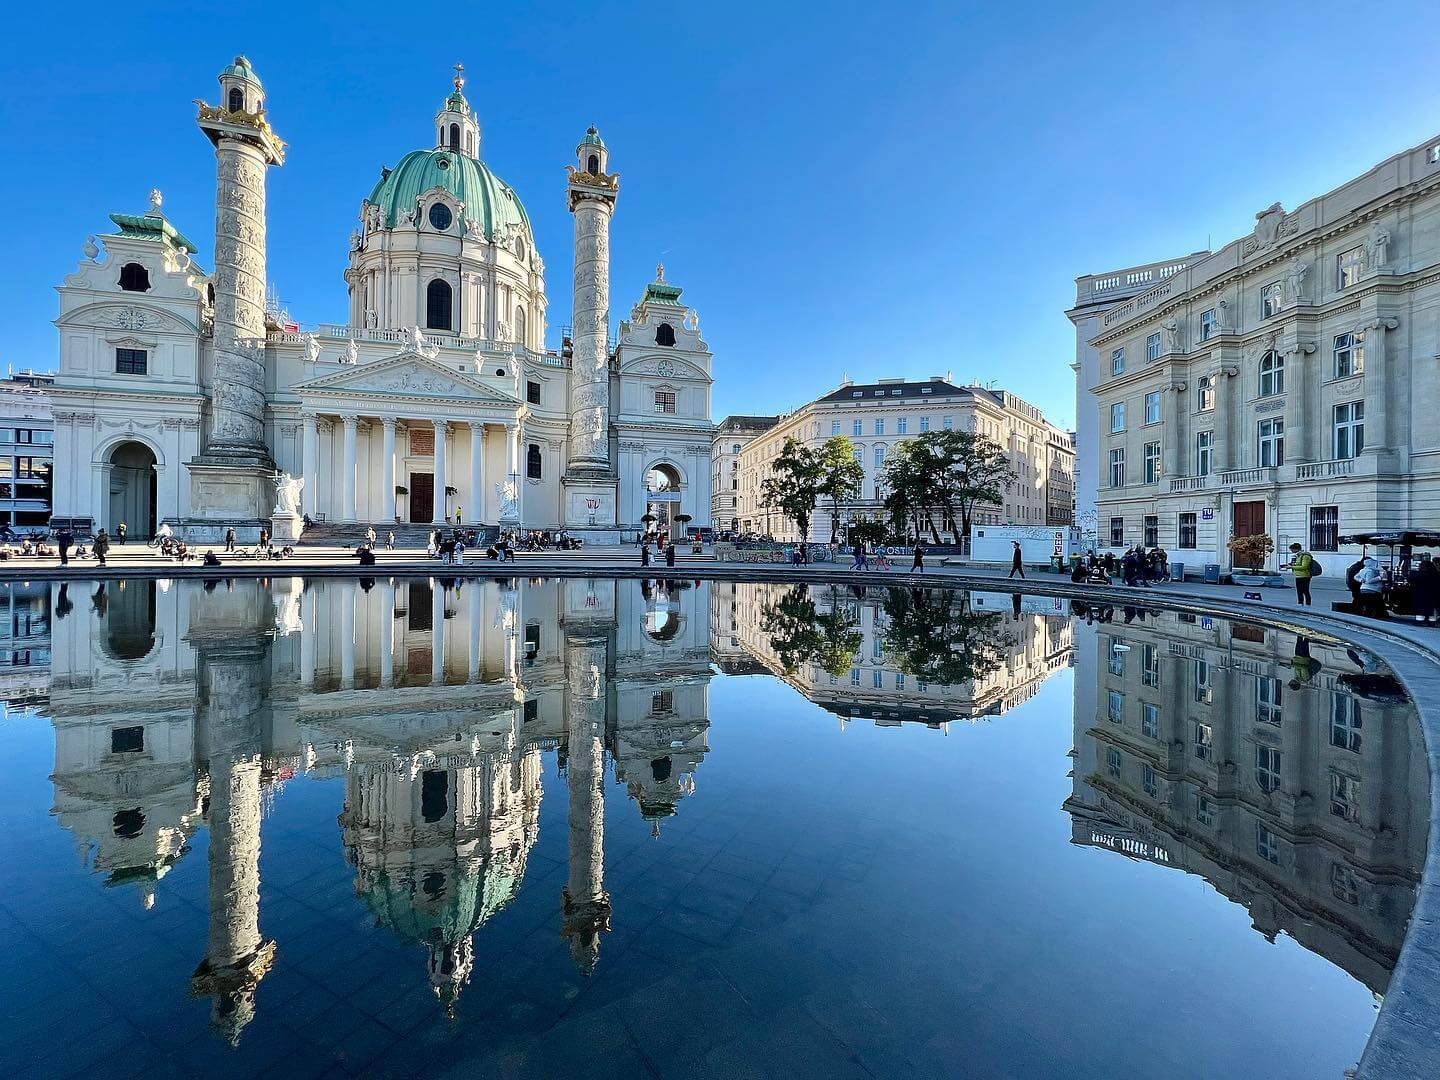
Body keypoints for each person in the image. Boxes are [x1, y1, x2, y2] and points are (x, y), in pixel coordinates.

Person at [1410, 554, 1440, 625]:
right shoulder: (1436, 574)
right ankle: (1431, 621)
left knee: (1421, 609)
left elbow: (1412, 580)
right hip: (1433, 595)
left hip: (1421, 594)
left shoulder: (1420, 574)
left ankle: (1420, 621)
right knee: (1430, 608)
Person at [1287, 542, 1316, 606]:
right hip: (1298, 575)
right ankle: (1300, 602)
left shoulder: (1305, 556)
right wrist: (1290, 565)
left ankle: (1308, 604)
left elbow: (1304, 566)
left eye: (1292, 549)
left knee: (1305, 590)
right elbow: (1298, 564)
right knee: (1299, 590)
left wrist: (1291, 567)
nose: (1291, 551)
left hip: (1305, 575)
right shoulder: (1298, 556)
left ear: (1296, 549)